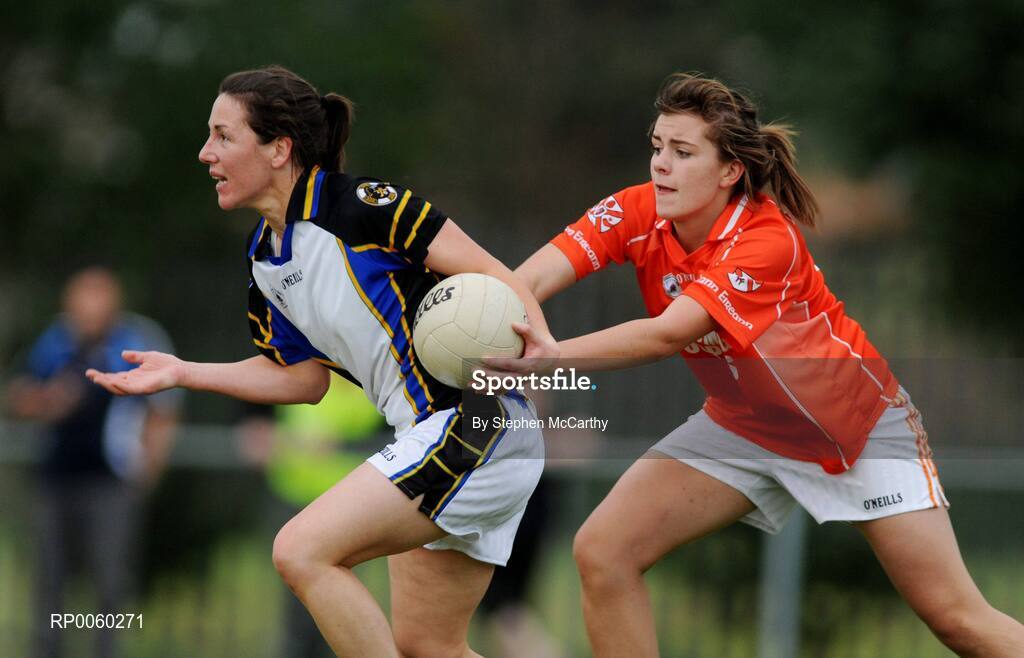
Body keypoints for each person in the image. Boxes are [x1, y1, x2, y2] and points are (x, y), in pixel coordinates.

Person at [495, 72, 1024, 657]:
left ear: (730, 171)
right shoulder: (637, 210)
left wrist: (550, 356)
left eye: (683, 151)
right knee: (603, 551)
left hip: (857, 431)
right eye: (656, 147)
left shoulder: (765, 240)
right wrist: (487, 318)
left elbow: (667, 335)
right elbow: (532, 277)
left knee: (959, 622)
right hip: (741, 427)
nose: (660, 165)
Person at [86, 65, 554, 658]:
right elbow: (303, 381)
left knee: (300, 550)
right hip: (429, 434)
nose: (206, 153)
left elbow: (495, 276)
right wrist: (183, 371)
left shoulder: (358, 205)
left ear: (280, 148)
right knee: (427, 646)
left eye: (223, 136)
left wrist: (538, 352)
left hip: (474, 425)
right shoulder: (263, 264)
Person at [6, 266, 181, 658]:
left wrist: (147, 472)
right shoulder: (54, 341)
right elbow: (18, 395)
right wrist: (46, 401)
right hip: (56, 478)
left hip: (113, 482)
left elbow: (164, 411)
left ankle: (107, 649)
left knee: (110, 582)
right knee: (49, 580)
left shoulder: (136, 341)